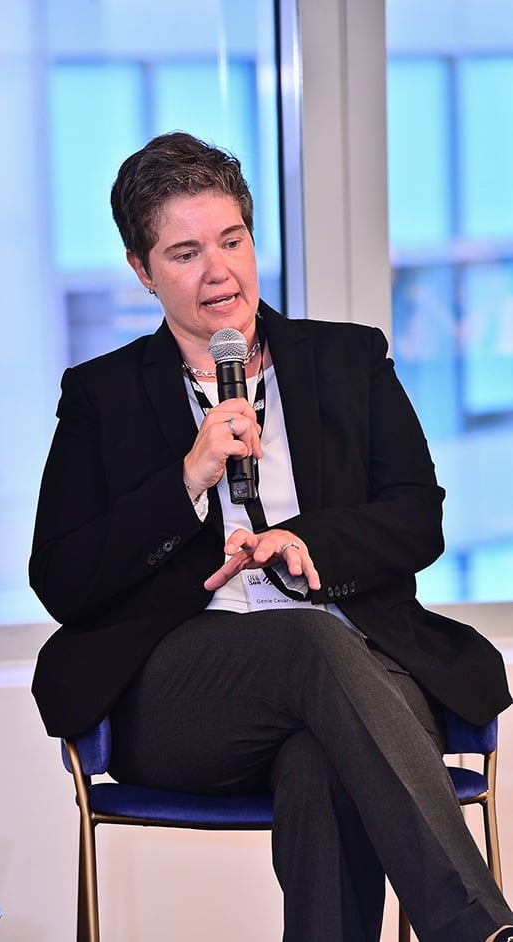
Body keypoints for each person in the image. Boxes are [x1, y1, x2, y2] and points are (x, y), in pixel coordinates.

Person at [29, 131, 513, 942]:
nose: (218, 272)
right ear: (142, 270)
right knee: (308, 645)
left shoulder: (349, 359)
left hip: (359, 676)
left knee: (322, 758)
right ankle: (477, 928)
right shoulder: (101, 396)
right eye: (185, 253)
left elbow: (415, 518)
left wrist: (305, 543)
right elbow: (62, 577)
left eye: (232, 240)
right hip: (186, 695)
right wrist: (187, 479)